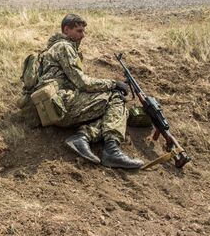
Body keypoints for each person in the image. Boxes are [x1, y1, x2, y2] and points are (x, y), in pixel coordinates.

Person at [35, 14, 144, 169]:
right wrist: (113, 84)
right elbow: (83, 83)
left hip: (52, 108)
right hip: (62, 105)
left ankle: (83, 136)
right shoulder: (64, 46)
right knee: (116, 98)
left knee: (117, 113)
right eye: (79, 31)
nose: (83, 35)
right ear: (66, 30)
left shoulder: (52, 49)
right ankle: (112, 151)